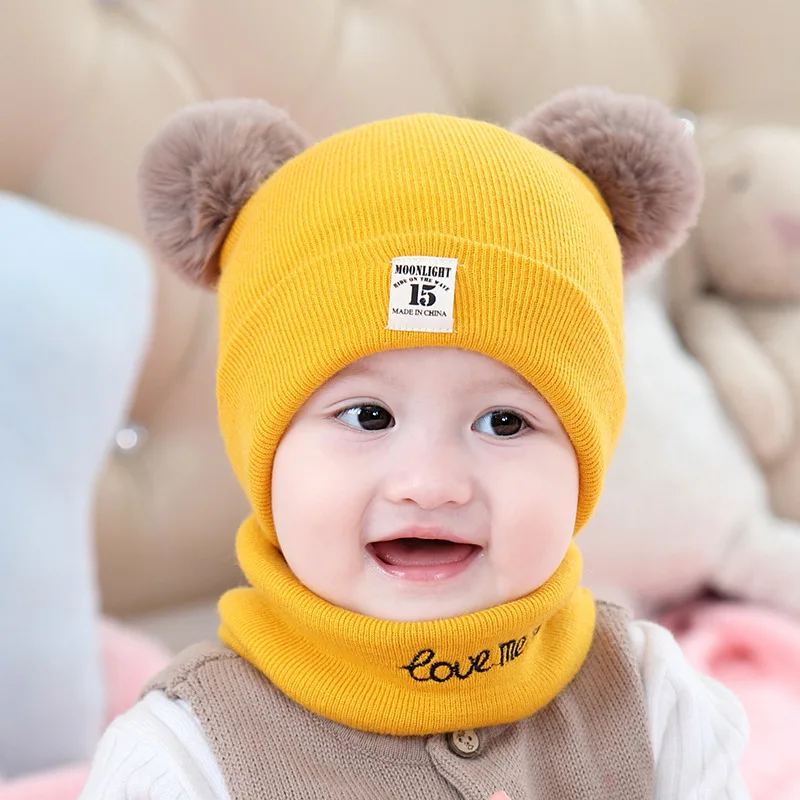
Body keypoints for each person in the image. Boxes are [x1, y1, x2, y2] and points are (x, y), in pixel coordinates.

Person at [79, 86, 749, 799]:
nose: (430, 484)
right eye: (368, 417)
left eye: (504, 422)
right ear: (263, 454)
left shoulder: (657, 705)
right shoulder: (181, 760)